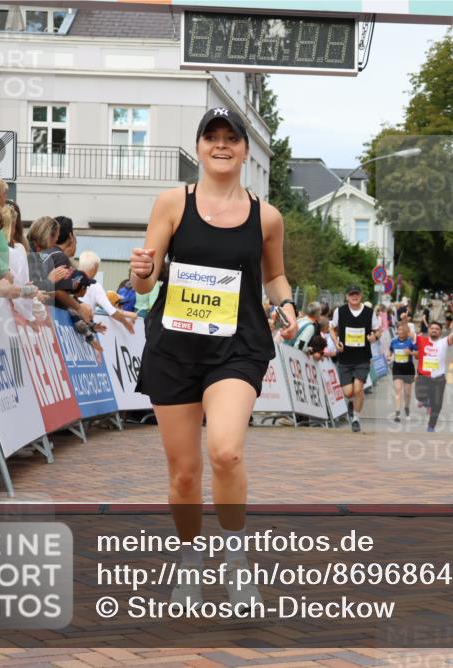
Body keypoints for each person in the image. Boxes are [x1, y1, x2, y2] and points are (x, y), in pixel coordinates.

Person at [129, 106, 297, 609]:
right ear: (199, 147)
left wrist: (286, 303)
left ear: (246, 151)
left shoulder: (267, 216)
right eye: (212, 137)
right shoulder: (171, 203)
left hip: (237, 348)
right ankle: (188, 558)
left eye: (231, 138)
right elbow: (145, 278)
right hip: (175, 348)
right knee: (183, 474)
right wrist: (141, 269)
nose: (221, 145)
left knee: (225, 451)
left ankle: (236, 556)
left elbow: (274, 276)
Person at [328, 286, 381, 433]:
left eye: (356, 294)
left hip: (362, 357)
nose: (354, 296)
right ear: (347, 297)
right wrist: (335, 342)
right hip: (345, 357)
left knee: (358, 389)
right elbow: (332, 327)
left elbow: (378, 330)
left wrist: (374, 337)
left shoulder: (369, 312)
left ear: (361, 295)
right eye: (351, 294)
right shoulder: (340, 311)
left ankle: (356, 419)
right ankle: (352, 405)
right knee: (348, 393)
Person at [414, 320, 453, 433]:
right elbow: (409, 334)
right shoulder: (421, 340)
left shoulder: (444, 342)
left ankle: (431, 426)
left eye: (437, 329)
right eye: (432, 328)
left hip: (439, 378)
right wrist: (404, 321)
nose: (434, 330)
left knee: (437, 405)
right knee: (420, 396)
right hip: (423, 376)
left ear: (440, 332)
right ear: (429, 330)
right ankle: (425, 400)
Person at [77, 250, 138, 333]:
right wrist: (126, 323)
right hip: (84, 326)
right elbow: (111, 310)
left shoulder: (71, 278)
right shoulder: (95, 286)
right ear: (95, 267)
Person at [389, 320, 418, 422]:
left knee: (407, 393)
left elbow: (418, 355)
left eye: (402, 330)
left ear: (406, 331)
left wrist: (410, 352)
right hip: (397, 368)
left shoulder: (410, 341)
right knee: (398, 390)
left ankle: (407, 408)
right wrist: (389, 357)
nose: (400, 331)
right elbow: (390, 352)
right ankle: (397, 413)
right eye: (399, 329)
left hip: (408, 368)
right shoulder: (393, 341)